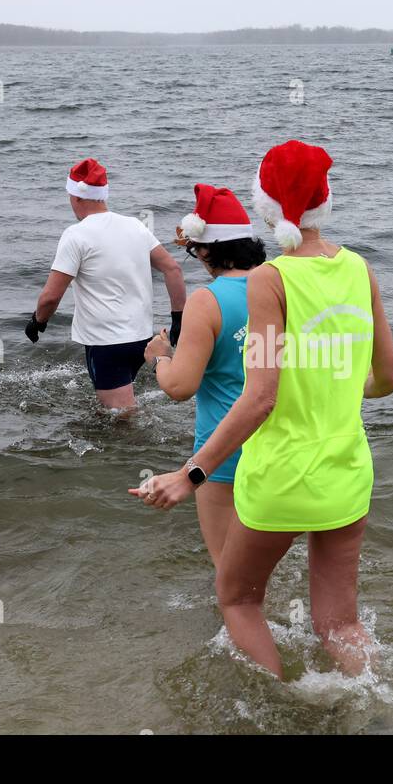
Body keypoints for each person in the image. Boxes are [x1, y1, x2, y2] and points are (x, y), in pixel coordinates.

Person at [129, 140, 393, 679]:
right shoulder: (360, 269)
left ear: (267, 208)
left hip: (280, 475)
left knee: (238, 601)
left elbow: (261, 397)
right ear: (327, 200)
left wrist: (190, 475)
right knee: (340, 624)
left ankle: (282, 706)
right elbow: (390, 377)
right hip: (347, 473)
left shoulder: (269, 279)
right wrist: (336, 387)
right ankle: (377, 708)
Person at [142, 184, 265, 566]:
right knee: (266, 559)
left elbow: (180, 387)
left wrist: (159, 358)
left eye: (196, 250)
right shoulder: (280, 286)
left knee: (230, 571)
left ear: (208, 249)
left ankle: (239, 626)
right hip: (279, 446)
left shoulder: (206, 300)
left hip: (222, 454)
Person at [25, 158, 187, 411]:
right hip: (141, 337)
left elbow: (50, 297)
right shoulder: (135, 225)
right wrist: (179, 317)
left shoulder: (76, 235)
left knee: (121, 415)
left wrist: (38, 321)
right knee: (117, 407)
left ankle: (133, 449)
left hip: (106, 343)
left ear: (76, 197)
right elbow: (172, 269)